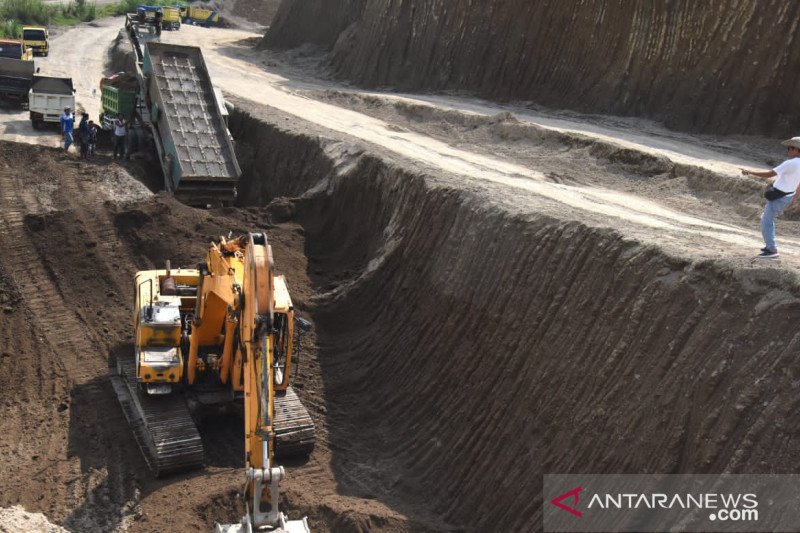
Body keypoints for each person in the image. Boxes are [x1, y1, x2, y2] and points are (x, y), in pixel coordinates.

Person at [741, 136, 800, 258]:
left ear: (796, 149)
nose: (788, 150)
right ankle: (770, 246)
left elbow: (769, 174)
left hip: (780, 197)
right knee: (767, 219)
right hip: (788, 196)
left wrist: (750, 172)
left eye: (790, 148)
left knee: (766, 221)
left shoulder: (790, 163)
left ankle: (771, 250)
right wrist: (795, 198)